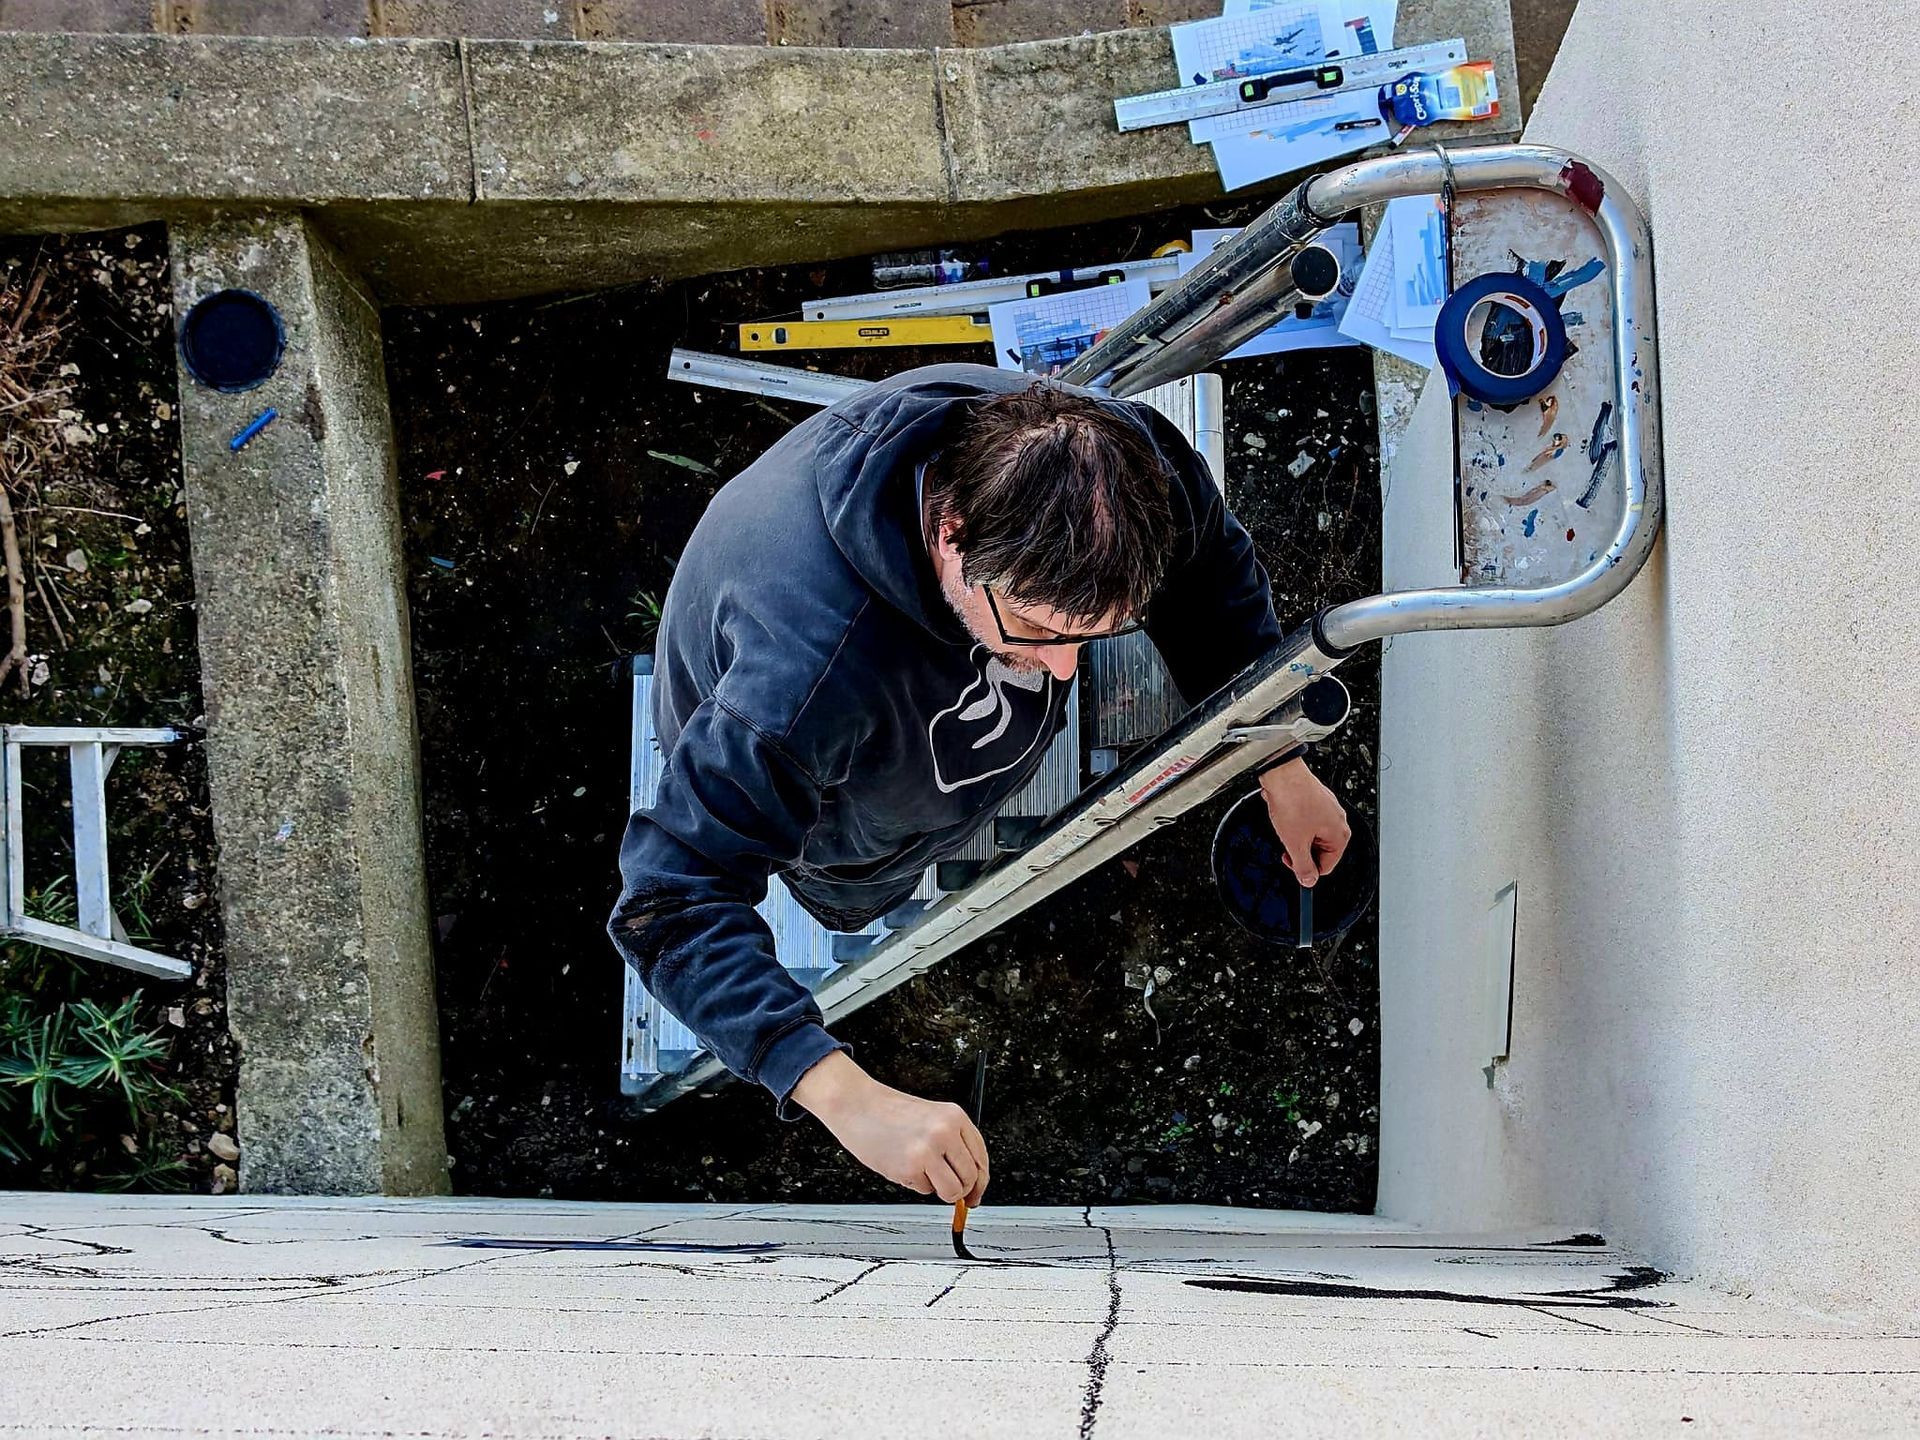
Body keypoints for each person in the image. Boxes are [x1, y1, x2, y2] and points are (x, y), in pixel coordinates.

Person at [609, 363, 1350, 1210]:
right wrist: (844, 1095)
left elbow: (1212, 573)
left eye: (1094, 637)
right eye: (1035, 628)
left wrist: (1276, 756)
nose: (1064, 670)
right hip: (839, 816)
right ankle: (858, 891)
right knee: (852, 882)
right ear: (952, 533)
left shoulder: (1120, 468)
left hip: (901, 740)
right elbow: (671, 900)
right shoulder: (806, 678)